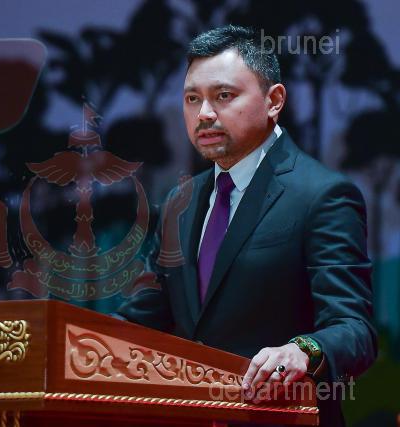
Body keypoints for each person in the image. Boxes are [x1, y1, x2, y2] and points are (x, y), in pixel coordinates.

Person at [116, 25, 376, 427]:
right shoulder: (179, 204)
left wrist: (302, 351)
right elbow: (140, 322)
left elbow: (355, 329)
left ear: (274, 101)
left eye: (223, 95)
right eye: (192, 98)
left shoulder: (322, 195)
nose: (204, 114)